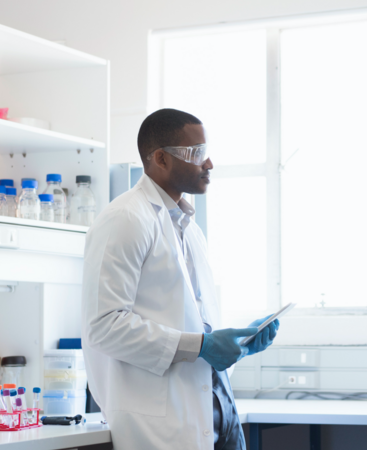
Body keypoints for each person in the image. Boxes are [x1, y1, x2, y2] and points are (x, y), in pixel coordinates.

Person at [82, 108, 279, 450]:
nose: (209, 164)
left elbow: (190, 324)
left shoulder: (189, 227)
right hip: (162, 427)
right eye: (197, 153)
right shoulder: (125, 219)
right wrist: (203, 346)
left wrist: (238, 344)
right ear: (160, 159)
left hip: (217, 411)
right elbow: (104, 327)